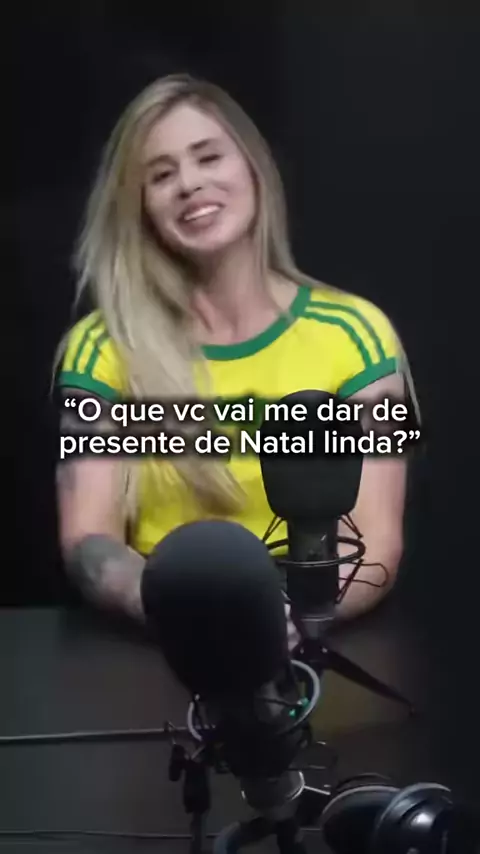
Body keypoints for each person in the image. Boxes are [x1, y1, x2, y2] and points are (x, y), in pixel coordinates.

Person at [54, 73, 418, 649]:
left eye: (208, 157)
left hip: (312, 642)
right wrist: (171, 605)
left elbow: (376, 540)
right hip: (163, 644)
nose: (189, 184)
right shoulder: (101, 348)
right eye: (161, 175)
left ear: (252, 168)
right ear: (141, 205)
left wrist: (285, 618)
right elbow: (88, 537)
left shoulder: (356, 335)